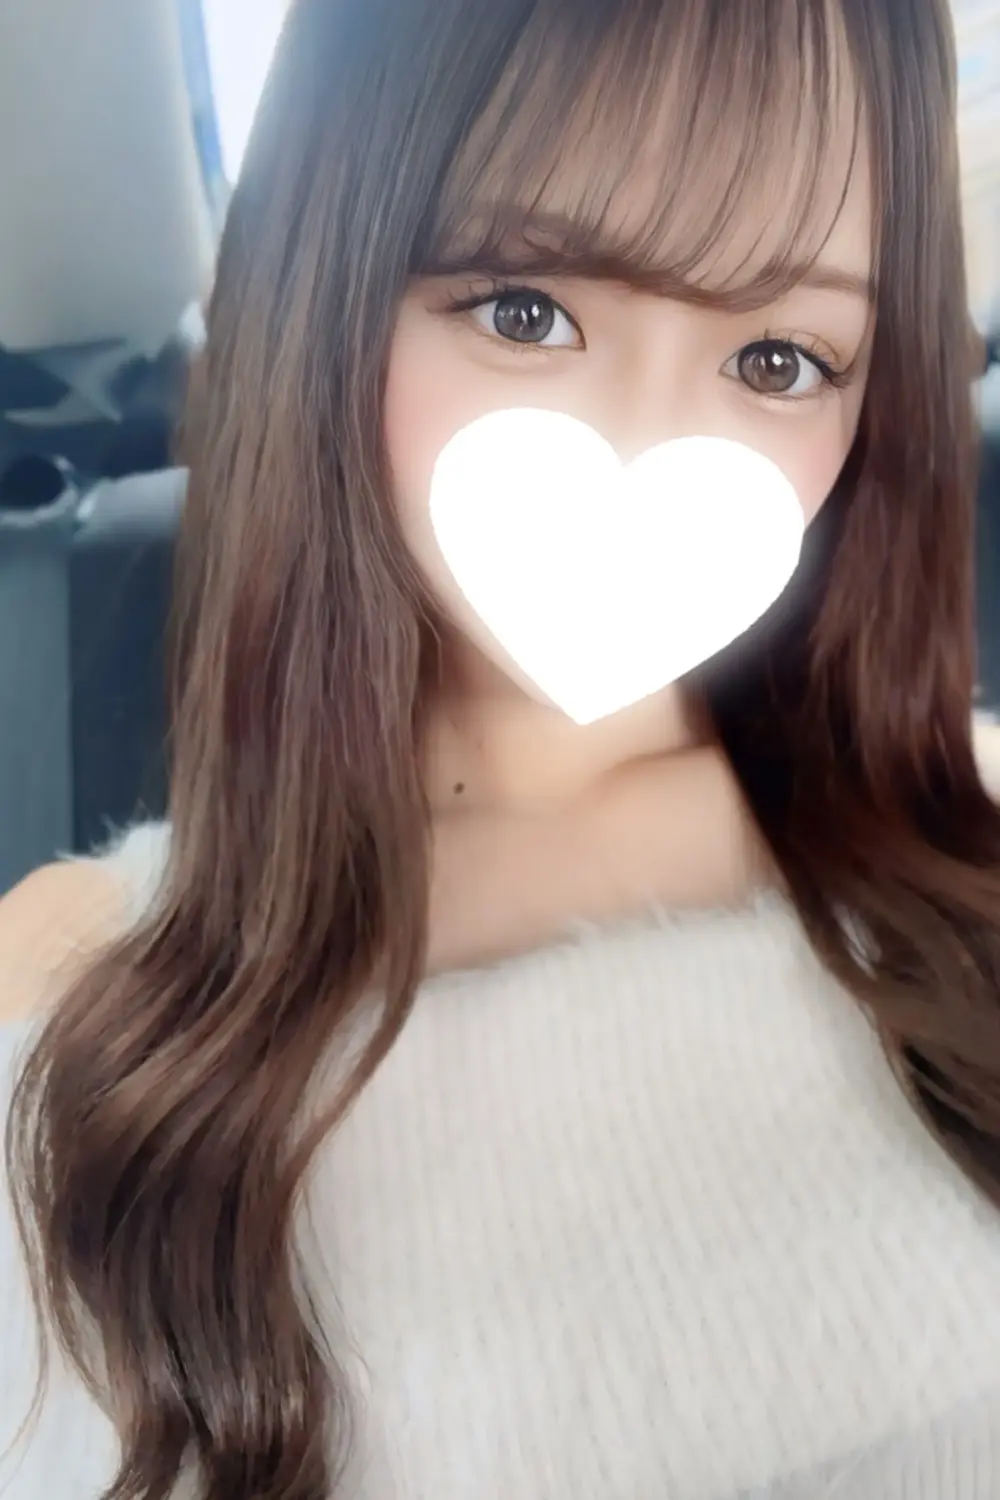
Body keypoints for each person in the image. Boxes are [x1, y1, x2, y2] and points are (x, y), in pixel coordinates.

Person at [3, 0, 1000, 1495]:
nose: (649, 442)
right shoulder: (62, 986)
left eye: (781, 359)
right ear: (326, 295)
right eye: (525, 311)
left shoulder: (970, 827)